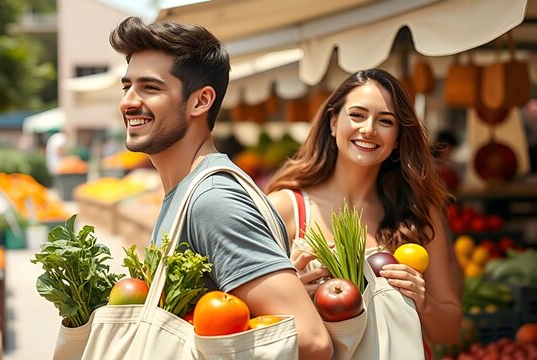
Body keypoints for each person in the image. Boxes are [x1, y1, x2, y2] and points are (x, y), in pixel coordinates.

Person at [110, 16, 332, 359]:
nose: (129, 102)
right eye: (127, 87)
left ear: (200, 101)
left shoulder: (212, 201)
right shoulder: (188, 191)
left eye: (150, 88)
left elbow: (310, 340)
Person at [265, 69, 463, 345]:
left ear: (397, 139)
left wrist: (422, 300)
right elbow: (250, 320)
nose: (368, 128)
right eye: (357, 115)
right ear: (333, 123)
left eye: (385, 120)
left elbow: (450, 332)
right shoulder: (285, 209)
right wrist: (287, 297)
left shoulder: (418, 213)